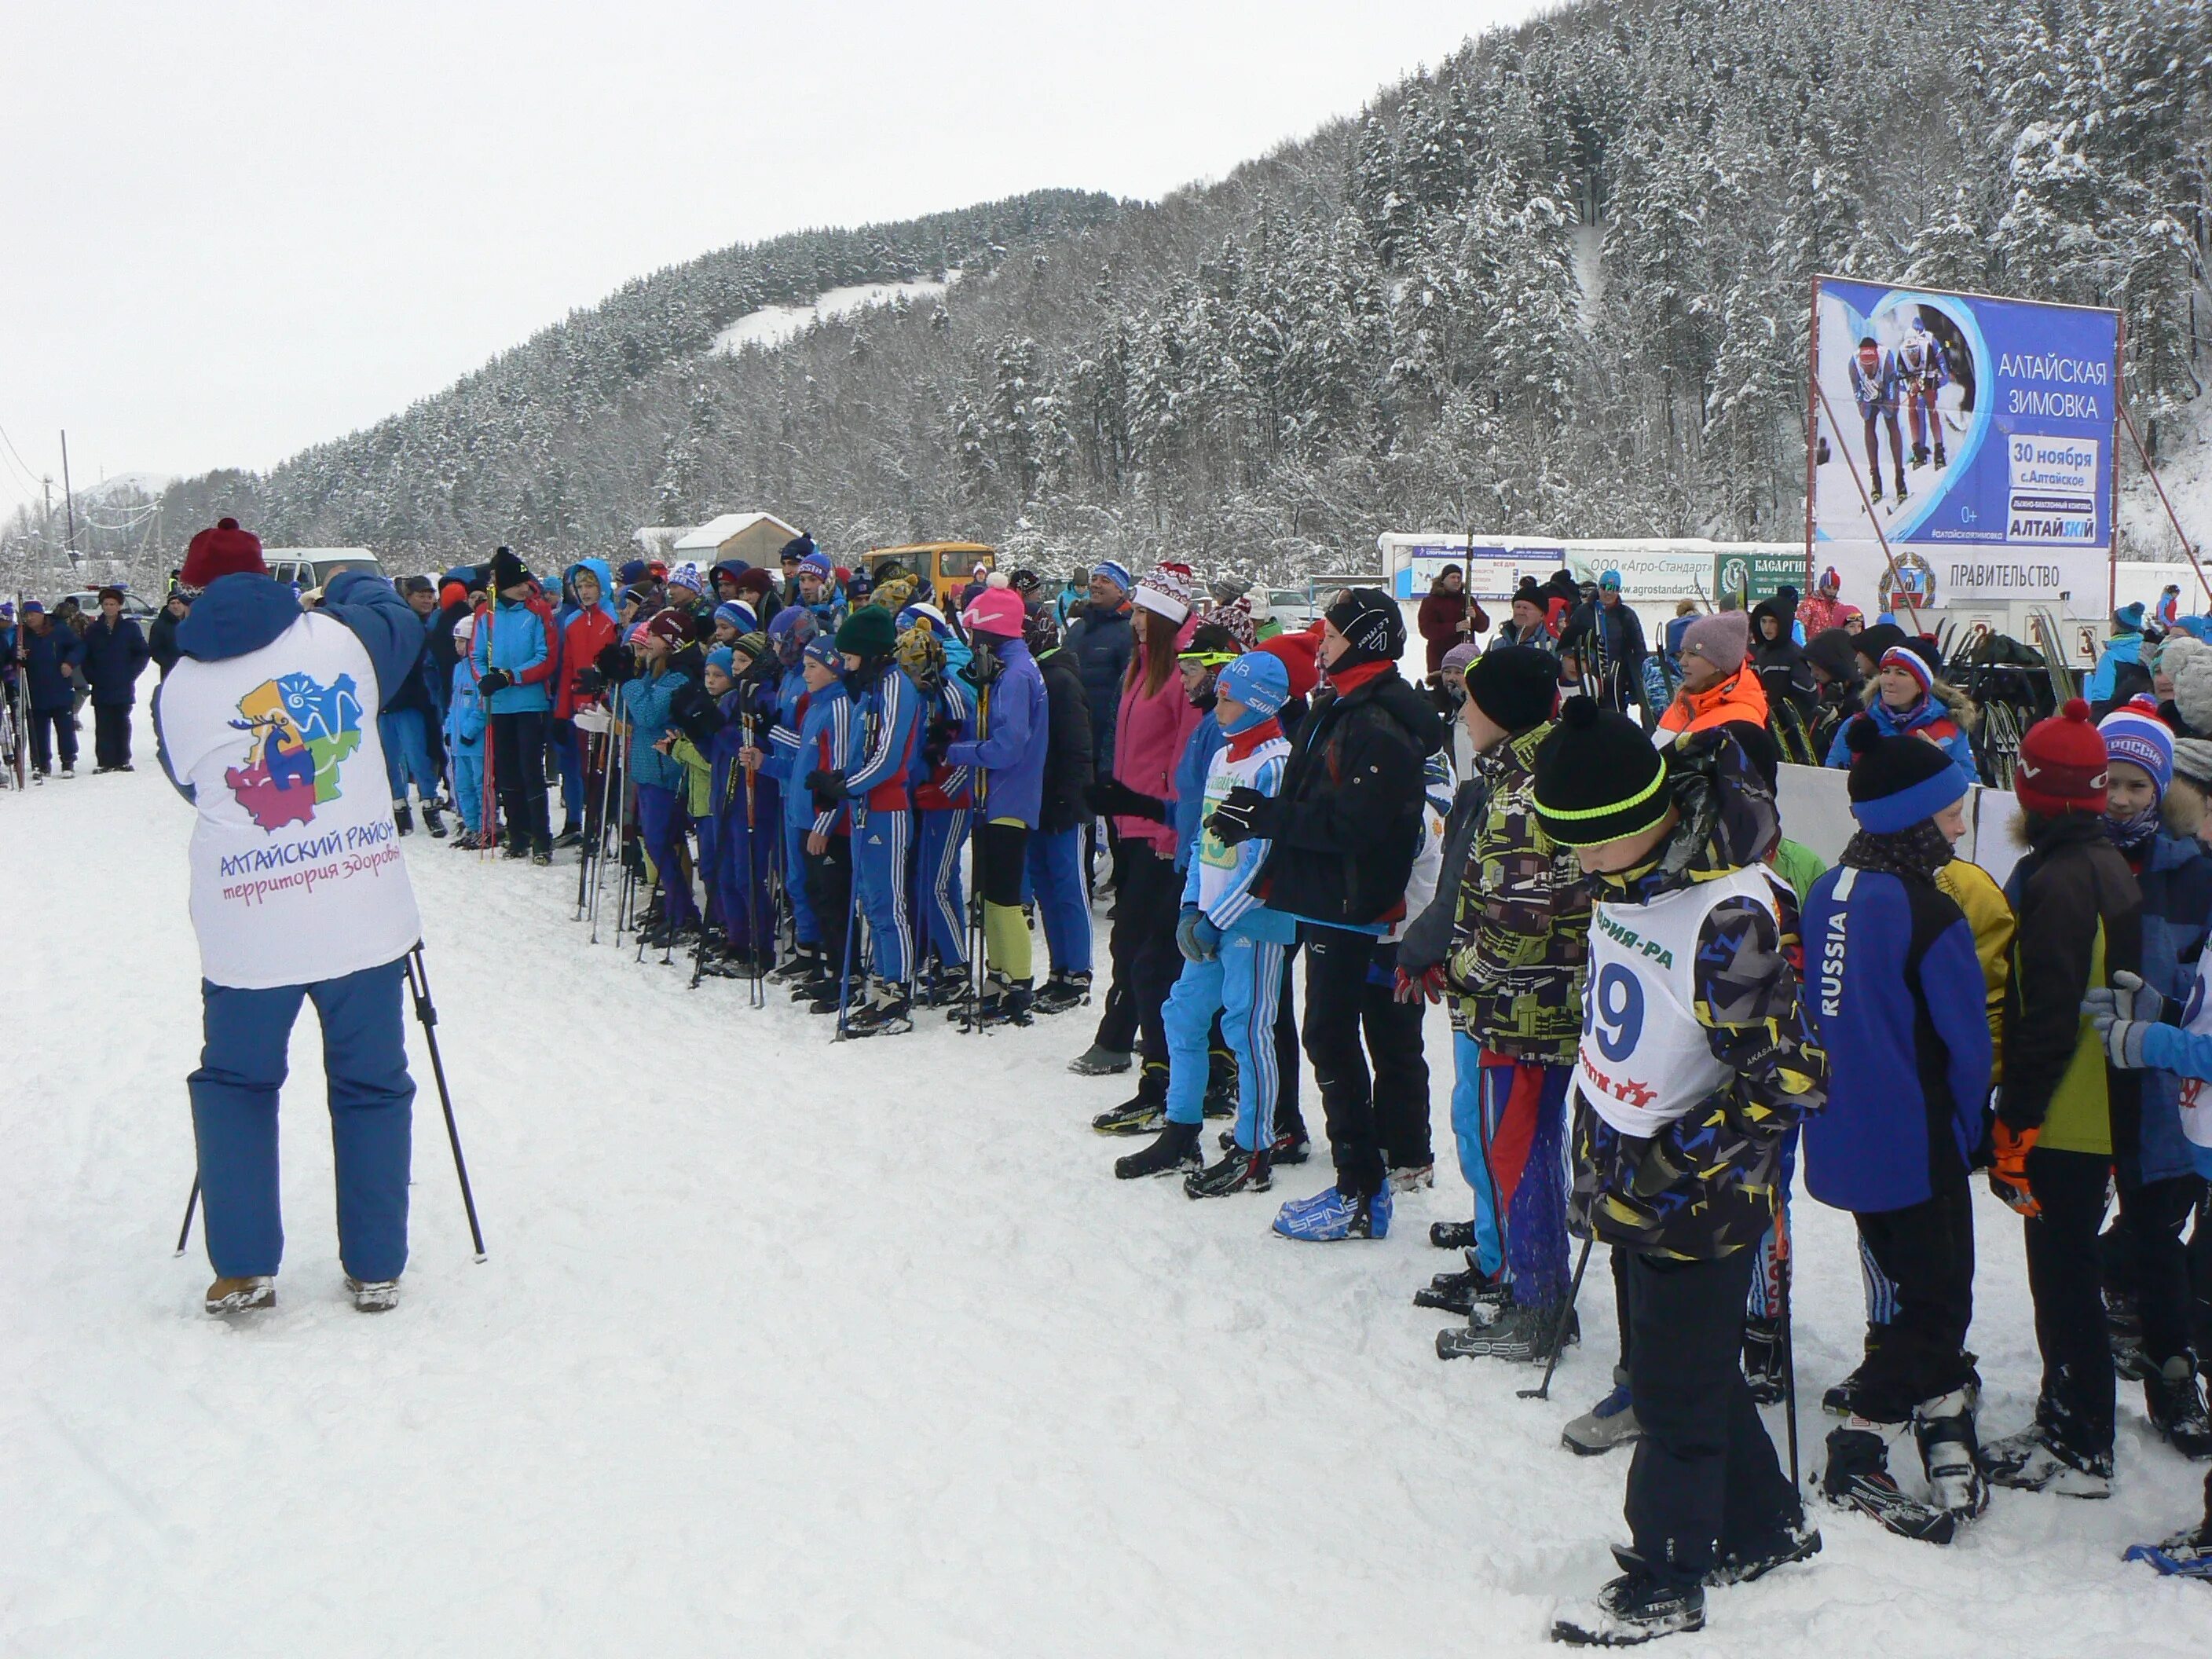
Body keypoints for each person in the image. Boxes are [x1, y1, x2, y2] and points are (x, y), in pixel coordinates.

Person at [1531, 700, 1826, 1646]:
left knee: (1671, 1392)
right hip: (1632, 1169)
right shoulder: (1633, 878)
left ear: (1642, 821)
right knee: (1680, 1370)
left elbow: (1785, 1078)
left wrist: (1663, 1166)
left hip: (1701, 1191)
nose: (1576, 865)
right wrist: (1603, 1152)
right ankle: (1762, 1523)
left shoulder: (1728, 911)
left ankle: (1668, 1569)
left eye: (1587, 844)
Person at [151, 516, 426, 1317]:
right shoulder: (342, 642)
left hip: (248, 922)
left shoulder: (177, 688)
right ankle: (375, 1264)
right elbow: (399, 617)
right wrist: (344, 584)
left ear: (190, 597)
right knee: (371, 1085)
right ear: (271, 579)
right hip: (360, 912)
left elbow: (189, 783)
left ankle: (241, 1264)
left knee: (237, 1083)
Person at [1801, 719, 1994, 1543]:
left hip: (1840, 1137)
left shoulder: (1824, 891)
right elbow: (1965, 1044)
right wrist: (1971, 1127)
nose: (1957, 826)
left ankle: (1939, 1401)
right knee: (1940, 1297)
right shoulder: (1928, 910)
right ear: (1913, 819)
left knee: (1906, 1281)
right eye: (1949, 813)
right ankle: (1863, 1427)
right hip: (1912, 1143)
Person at [1210, 588, 1445, 1243]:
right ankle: (1365, 1177)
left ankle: (1361, 1188)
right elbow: (1313, 795)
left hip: (1353, 901)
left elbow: (1357, 825)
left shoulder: (1377, 719)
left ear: (1365, 641)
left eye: (1333, 635)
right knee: (1334, 1036)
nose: (1321, 644)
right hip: (1326, 896)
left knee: (1331, 1038)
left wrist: (1270, 818)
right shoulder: (1340, 703)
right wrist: (1261, 827)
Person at [1980, 699, 2145, 1498]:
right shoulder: (2105, 861)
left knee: (2063, 1274)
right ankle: (2068, 1412)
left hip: (2066, 1115)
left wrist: (2014, 1122)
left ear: (2031, 793)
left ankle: (2080, 1437)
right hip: (2096, 1104)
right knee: (2067, 1267)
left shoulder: (2055, 879)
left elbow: (2043, 1017)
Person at [1423, 646, 1590, 1361]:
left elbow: (1516, 927)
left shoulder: (1525, 798)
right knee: (1528, 1152)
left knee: (1517, 1157)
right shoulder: (1531, 774)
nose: (1462, 711)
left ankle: (1538, 1308)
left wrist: (1459, 970)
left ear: (1503, 711)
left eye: (1472, 701)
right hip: (1533, 1009)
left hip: (1522, 1015)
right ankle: (1538, 1296)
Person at [1114, 650, 1298, 1192]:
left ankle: (1255, 1147)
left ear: (1260, 703)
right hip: (1211, 919)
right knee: (1182, 1015)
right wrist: (1192, 906)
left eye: (1230, 695)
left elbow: (1271, 861)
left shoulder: (1276, 764)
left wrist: (1220, 917)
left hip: (1255, 923)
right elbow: (1204, 839)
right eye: (1219, 692)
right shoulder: (1224, 758)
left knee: (1247, 1028)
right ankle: (1181, 1128)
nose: (1218, 702)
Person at [2081, 705, 2212, 1455]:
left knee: (2160, 1236)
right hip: (2082, 1080)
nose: (2122, 799)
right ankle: (2077, 1378)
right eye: (2110, 782)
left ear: (2161, 789)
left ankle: (2173, 1380)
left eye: (2137, 785)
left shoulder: (2193, 871)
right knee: (2069, 1233)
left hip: (2161, 1087)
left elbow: (2199, 991)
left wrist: (2160, 1022)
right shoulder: (2071, 859)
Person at [1072, 562, 1200, 1095]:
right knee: (1135, 935)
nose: (1137, 621)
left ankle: (1123, 1036)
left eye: (1147, 613)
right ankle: (1137, 1033)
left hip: (1159, 826)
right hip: (1130, 818)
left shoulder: (1179, 673)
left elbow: (1183, 759)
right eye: (1138, 611)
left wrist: (1164, 823)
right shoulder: (1140, 665)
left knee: (1140, 938)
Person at [941, 582, 1049, 1023]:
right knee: (989, 895)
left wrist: (957, 752)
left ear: (990, 632)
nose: (970, 641)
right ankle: (999, 975)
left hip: (1009, 797)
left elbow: (1009, 746)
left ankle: (1017, 986)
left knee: (1004, 898)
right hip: (994, 796)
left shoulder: (1017, 674)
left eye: (973, 632)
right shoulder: (1003, 668)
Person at [811, 605, 921, 1036]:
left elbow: (889, 758)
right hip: (863, 809)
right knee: (872, 903)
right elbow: (860, 752)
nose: (846, 667)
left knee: (888, 904)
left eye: (851, 658)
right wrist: (836, 779)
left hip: (886, 809)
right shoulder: (869, 691)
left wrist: (846, 785)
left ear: (871, 654)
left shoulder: (895, 687)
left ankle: (897, 994)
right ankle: (883, 982)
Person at [1024, 604, 1097, 1013]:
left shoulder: (1062, 681)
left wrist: (1072, 797)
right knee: (1046, 887)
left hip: (1065, 802)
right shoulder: (1037, 677)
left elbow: (1077, 747)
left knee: (1069, 887)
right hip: (1040, 799)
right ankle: (1058, 969)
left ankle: (1079, 971)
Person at [617, 611, 704, 947]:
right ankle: (674, 907)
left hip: (664, 772)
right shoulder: (656, 674)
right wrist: (619, 679)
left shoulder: (678, 678)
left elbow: (650, 715)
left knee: (660, 840)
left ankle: (683, 912)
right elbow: (627, 709)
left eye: (654, 636)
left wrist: (628, 682)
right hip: (648, 769)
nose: (648, 642)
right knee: (656, 841)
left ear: (671, 642)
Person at [471, 548, 558, 862]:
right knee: (505, 770)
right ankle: (517, 833)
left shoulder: (538, 611)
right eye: (519, 583)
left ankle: (541, 837)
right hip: (499, 704)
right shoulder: (486, 613)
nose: (526, 587)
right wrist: (484, 678)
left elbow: (546, 658)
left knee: (530, 769)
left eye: (527, 581)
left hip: (529, 701)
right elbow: (476, 654)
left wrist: (511, 676)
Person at [1822, 641, 1977, 783]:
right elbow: (1831, 784)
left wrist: (1941, 763)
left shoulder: (1949, 728)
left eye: (1901, 673)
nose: (1889, 680)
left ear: (1920, 686)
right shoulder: (1856, 726)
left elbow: (1970, 788)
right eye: (1886, 671)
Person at [553, 559, 620, 847]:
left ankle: (610, 829)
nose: (585, 592)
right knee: (584, 769)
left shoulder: (613, 621)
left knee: (606, 770)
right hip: (580, 706)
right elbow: (567, 666)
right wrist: (561, 710)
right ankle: (588, 827)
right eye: (580, 587)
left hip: (606, 706)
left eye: (590, 585)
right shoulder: (573, 622)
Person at [374, 580, 445, 837]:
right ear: (409, 596)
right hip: (390, 702)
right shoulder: (398, 622)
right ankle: (400, 809)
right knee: (393, 759)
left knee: (419, 757)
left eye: (430, 596)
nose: (427, 601)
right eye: (422, 596)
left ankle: (430, 807)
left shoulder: (432, 623)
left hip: (416, 701)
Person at [1064, 560, 1136, 785]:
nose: (1096, 585)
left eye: (1105, 581)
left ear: (1120, 590)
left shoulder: (1129, 631)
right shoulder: (1078, 628)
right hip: (1073, 738)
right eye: (1094, 579)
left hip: (1106, 744)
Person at [1653, 610, 1767, 747]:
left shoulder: (1741, 721)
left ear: (1718, 663)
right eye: (1683, 653)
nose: (1682, 662)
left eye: (1693, 654)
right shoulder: (1683, 704)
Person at [78, 585, 151, 772]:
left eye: (112, 604)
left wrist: (130, 673)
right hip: (101, 683)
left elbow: (142, 653)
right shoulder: (94, 630)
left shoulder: (130, 628)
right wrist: (91, 676)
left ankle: (122, 759)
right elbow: (85, 656)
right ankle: (105, 761)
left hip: (122, 683)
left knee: (121, 721)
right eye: (106, 604)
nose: (109, 607)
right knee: (103, 723)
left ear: (119, 606)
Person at [1560, 569, 1650, 716]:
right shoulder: (1583, 612)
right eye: (1605, 588)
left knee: (1615, 719)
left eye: (1614, 589)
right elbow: (1570, 642)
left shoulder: (1626, 615)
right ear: (1598, 588)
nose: (1609, 593)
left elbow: (1639, 649)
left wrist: (1636, 683)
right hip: (1588, 676)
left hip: (1616, 679)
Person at [14, 600, 82, 778]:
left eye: (32, 614)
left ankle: (68, 762)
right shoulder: (22, 634)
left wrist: (69, 662)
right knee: (38, 730)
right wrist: (18, 657)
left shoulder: (59, 630)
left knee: (65, 728)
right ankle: (41, 764)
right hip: (35, 690)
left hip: (59, 686)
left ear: (41, 614)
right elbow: (13, 659)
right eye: (26, 615)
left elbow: (79, 647)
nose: (29, 618)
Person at [443, 610, 490, 848]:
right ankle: (472, 827)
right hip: (460, 743)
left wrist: (470, 730)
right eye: (457, 642)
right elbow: (454, 702)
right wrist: (449, 728)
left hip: (476, 742)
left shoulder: (481, 670)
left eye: (462, 641)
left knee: (481, 785)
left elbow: (484, 703)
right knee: (463, 786)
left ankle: (487, 827)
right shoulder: (459, 669)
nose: (458, 647)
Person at [1849, 334, 1908, 506]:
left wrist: (1881, 394)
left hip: (1886, 384)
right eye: (1864, 365)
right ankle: (1875, 478)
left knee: (1892, 420)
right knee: (1868, 421)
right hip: (1867, 391)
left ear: (1876, 360)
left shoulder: (1887, 360)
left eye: (1870, 365)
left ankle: (1900, 477)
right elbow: (1860, 404)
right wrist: (1866, 397)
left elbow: (1892, 406)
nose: (1867, 369)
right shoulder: (1853, 365)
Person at [1417, 563, 1489, 690]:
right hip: (1441, 658)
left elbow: (1483, 626)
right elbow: (1427, 630)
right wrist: (1454, 628)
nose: (1456, 581)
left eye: (1459, 578)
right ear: (1443, 580)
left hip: (1465, 658)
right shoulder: (1431, 602)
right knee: (1443, 694)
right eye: (1453, 577)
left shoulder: (1467, 600)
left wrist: (1476, 616)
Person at [1899, 314, 1950, 471]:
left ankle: (1939, 449)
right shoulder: (1902, 352)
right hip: (1912, 374)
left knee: (1931, 404)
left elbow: (1942, 373)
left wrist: (1934, 383)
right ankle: (1917, 450)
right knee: (1912, 406)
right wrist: (1910, 386)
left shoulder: (1929, 344)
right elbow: (1899, 378)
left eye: (1914, 350)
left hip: (1929, 370)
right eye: (1910, 351)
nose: (1913, 354)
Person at [2086, 602, 2152, 709]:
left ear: (2116, 627)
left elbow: (2101, 697)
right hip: (2147, 714)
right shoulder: (2149, 653)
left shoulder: (2110, 657)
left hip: (2117, 717)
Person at [149, 588, 191, 679]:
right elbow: (155, 651)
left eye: (179, 603)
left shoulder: (191, 623)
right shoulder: (159, 625)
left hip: (191, 671)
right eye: (173, 603)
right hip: (169, 672)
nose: (176, 606)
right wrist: (171, 664)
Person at [1797, 568, 1846, 637]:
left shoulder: (1839, 608)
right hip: (1813, 646)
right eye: (1828, 587)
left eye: (1835, 588)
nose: (1831, 591)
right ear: (1822, 587)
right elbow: (1800, 629)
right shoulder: (1809, 605)